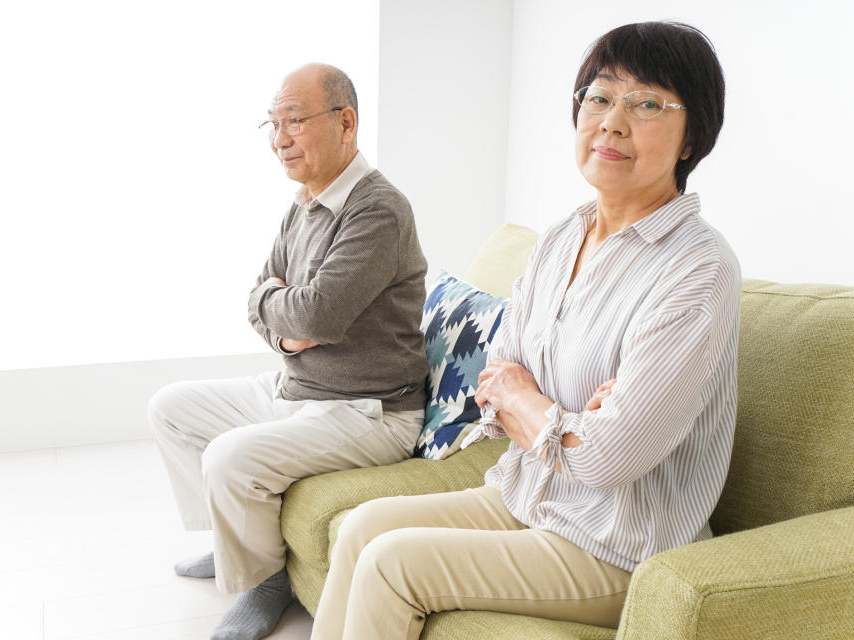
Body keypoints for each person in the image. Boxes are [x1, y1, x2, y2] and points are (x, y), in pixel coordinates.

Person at [310, 21, 739, 639]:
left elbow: (608, 458)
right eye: (600, 96)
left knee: (391, 563)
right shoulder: (563, 236)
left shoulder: (697, 269)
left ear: (691, 134)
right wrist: (560, 418)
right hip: (525, 496)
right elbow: (498, 375)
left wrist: (531, 402)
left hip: (615, 541)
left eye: (647, 104)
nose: (614, 121)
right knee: (360, 526)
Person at [149, 63, 428, 640]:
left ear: (345, 123)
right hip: (299, 387)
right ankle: (234, 547)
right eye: (272, 124)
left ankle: (264, 581)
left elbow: (318, 315)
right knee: (170, 407)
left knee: (228, 459)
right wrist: (287, 327)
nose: (279, 139)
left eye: (293, 121)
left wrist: (291, 314)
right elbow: (259, 297)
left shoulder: (378, 209)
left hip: (368, 410)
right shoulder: (303, 202)